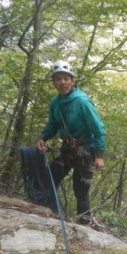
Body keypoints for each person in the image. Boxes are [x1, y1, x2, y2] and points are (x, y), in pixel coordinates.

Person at [36, 60, 106, 224]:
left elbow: (98, 128)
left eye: (66, 79)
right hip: (67, 148)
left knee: (81, 189)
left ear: (72, 81)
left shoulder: (82, 102)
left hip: (86, 150)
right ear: (54, 82)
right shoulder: (55, 103)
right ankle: (48, 211)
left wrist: (99, 155)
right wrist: (43, 138)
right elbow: (53, 124)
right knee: (50, 177)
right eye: (58, 79)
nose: (62, 82)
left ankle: (84, 223)